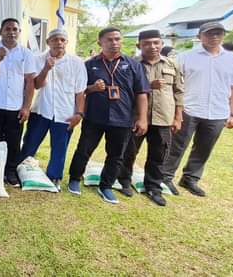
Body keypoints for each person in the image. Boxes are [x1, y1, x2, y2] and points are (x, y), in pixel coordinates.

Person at [67, 27, 149, 205]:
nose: (114, 43)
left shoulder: (134, 65)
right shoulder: (89, 65)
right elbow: (80, 90)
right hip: (94, 116)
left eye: (117, 39)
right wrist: (93, 88)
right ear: (100, 42)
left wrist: (142, 118)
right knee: (84, 149)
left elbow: (141, 93)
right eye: (109, 40)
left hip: (122, 118)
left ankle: (106, 186)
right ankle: (74, 178)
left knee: (116, 155)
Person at [162, 22, 233, 196]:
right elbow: (174, 84)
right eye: (209, 34)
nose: (214, 37)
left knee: (204, 148)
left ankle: (190, 178)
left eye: (218, 33)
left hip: (217, 111)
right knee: (176, 146)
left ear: (223, 36)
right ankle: (165, 177)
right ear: (199, 37)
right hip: (188, 109)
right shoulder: (185, 57)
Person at [117, 30, 184, 206]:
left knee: (159, 155)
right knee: (129, 151)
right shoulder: (130, 64)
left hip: (163, 117)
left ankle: (153, 187)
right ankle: (124, 180)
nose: (152, 46)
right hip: (137, 117)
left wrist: (178, 117)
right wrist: (148, 85)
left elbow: (179, 92)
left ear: (162, 44)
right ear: (139, 45)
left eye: (156, 42)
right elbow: (124, 90)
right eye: (146, 43)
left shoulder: (172, 64)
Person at [15, 28, 86, 191]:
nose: (58, 43)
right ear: (48, 42)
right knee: (30, 143)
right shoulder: (38, 59)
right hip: (41, 110)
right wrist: (46, 68)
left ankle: (54, 177)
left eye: (62, 40)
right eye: (54, 39)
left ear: (66, 42)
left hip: (65, 113)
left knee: (60, 147)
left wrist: (79, 113)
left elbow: (80, 91)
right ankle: (21, 171)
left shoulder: (76, 62)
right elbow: (36, 85)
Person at [0, 18, 36, 187]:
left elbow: (30, 82)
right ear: (0, 31)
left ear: (19, 32)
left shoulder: (26, 54)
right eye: (7, 29)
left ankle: (11, 171)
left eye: (14, 29)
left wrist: (26, 107)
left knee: (14, 141)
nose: (11, 32)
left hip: (16, 106)